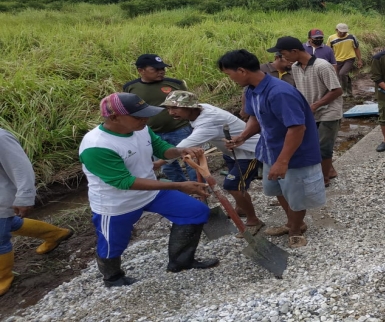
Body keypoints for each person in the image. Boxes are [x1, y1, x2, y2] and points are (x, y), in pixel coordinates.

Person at [80, 93, 218, 287]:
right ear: (114, 118)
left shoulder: (141, 129)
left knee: (195, 211)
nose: (145, 119)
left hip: (151, 191)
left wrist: (180, 151)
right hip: (117, 202)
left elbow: (161, 148)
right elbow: (124, 182)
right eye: (138, 116)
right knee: (113, 242)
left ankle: (181, 262)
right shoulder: (97, 145)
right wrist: (179, 186)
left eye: (146, 114)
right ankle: (113, 277)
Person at [218, 47, 325, 249]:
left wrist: (283, 161)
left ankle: (294, 231)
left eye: (229, 74)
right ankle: (295, 223)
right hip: (270, 149)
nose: (229, 78)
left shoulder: (280, 92)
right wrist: (242, 136)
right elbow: (255, 117)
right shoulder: (251, 90)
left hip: (294, 154)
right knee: (280, 190)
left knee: (296, 194)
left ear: (241, 71)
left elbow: (297, 128)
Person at [160, 91, 263, 236]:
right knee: (238, 185)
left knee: (233, 186)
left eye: (175, 108)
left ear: (190, 107)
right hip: (230, 151)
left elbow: (183, 147)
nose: (171, 112)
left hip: (248, 152)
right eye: (168, 109)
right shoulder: (201, 109)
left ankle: (253, 221)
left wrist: (157, 163)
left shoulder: (208, 121)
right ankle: (241, 208)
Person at [1, 129, 73, 296]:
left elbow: (21, 167)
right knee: (10, 224)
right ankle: (55, 234)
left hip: (2, 198)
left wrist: (25, 196)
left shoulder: (1, 138)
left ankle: (3, 278)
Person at [270, 37, 343, 188]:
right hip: (310, 113)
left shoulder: (322, 66)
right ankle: (330, 171)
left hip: (328, 112)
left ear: (295, 51)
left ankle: (324, 180)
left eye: (284, 54)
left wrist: (316, 105)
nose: (284, 58)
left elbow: (337, 90)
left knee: (323, 147)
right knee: (312, 145)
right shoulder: (296, 67)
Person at [124, 54, 196, 182]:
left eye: (162, 68)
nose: (161, 71)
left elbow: (190, 105)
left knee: (191, 160)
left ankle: (200, 188)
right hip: (153, 134)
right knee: (168, 166)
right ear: (141, 70)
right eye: (156, 69)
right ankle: (181, 190)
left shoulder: (175, 84)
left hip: (180, 129)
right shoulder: (130, 87)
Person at [327, 23, 363, 97]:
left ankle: (343, 92)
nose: (343, 33)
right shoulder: (331, 38)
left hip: (349, 58)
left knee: (342, 74)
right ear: (336, 30)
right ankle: (349, 93)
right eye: (341, 32)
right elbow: (329, 50)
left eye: (345, 32)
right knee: (341, 76)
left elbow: (356, 48)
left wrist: (359, 60)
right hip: (337, 60)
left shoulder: (351, 37)